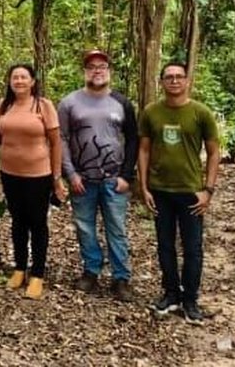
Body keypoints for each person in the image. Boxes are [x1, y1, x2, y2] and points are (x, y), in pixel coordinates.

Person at [139, 61, 220, 325]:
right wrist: (143, 187)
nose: (174, 81)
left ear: (187, 81)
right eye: (169, 77)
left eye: (179, 77)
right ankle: (170, 293)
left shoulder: (200, 113)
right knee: (164, 245)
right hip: (160, 190)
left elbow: (214, 152)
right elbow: (144, 150)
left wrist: (208, 190)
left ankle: (190, 299)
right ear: (161, 82)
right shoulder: (151, 112)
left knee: (193, 248)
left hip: (191, 192)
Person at [58, 49, 138, 302]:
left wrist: (127, 175)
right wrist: (69, 173)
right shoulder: (70, 102)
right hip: (83, 179)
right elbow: (61, 138)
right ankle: (91, 271)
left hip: (114, 179)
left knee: (117, 228)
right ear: (85, 71)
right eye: (91, 66)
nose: (97, 70)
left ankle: (120, 277)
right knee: (85, 227)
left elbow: (134, 139)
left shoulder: (121, 102)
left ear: (108, 71)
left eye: (101, 66)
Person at [0, 64, 66, 299]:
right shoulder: (4, 105)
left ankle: (37, 274)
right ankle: (19, 268)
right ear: (10, 81)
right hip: (10, 173)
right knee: (17, 222)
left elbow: (55, 143)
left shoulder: (43, 105)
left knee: (37, 223)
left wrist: (56, 178)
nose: (19, 81)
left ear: (32, 81)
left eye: (24, 77)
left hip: (38, 175)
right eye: (15, 77)